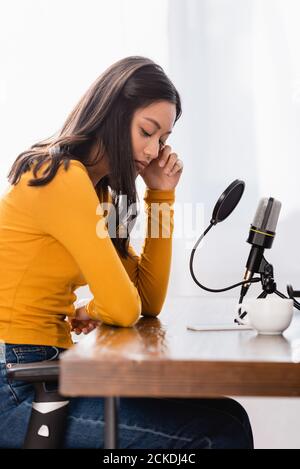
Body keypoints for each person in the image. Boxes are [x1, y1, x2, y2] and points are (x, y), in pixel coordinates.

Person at [0, 56, 253, 449]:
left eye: (163, 140)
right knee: (215, 432)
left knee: (228, 416)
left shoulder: (102, 191)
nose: (154, 151)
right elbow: (122, 307)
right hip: (16, 381)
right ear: (112, 116)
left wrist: (162, 195)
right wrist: (95, 310)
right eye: (147, 132)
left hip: (50, 368)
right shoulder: (61, 177)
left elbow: (147, 301)